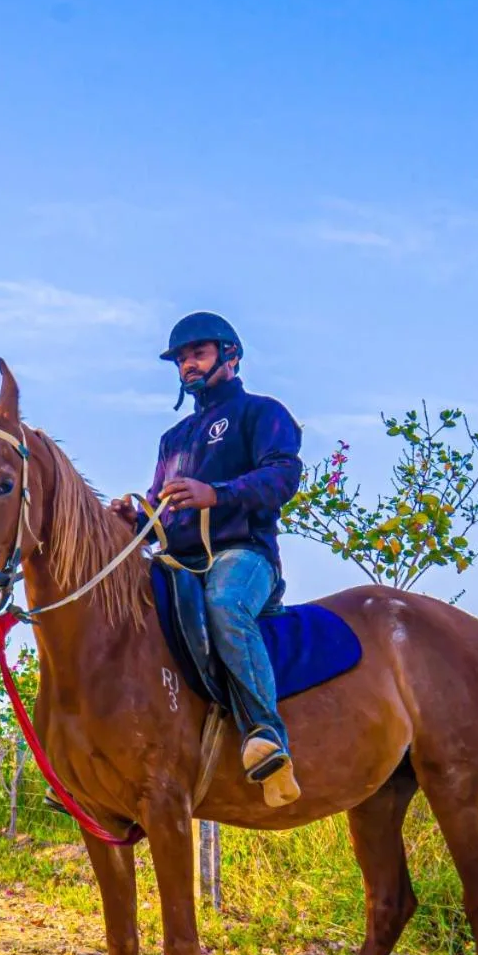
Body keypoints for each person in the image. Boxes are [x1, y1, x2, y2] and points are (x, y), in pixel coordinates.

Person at [112, 312, 304, 807]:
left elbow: (283, 478)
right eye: (180, 358)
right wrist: (132, 520)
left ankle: (266, 732)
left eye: (197, 353)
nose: (187, 365)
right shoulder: (172, 439)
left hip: (243, 556)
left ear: (231, 355)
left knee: (224, 603)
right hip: (179, 562)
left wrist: (214, 493)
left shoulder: (261, 413)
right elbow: (161, 513)